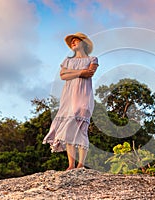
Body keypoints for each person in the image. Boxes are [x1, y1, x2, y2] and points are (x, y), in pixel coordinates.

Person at [43, 32, 99, 170]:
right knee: (68, 128)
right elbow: (62, 75)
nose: (73, 43)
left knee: (82, 128)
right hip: (68, 97)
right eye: (71, 42)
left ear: (83, 42)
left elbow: (90, 73)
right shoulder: (67, 60)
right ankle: (71, 165)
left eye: (76, 40)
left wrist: (72, 73)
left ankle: (81, 164)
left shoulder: (92, 58)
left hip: (84, 95)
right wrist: (81, 72)